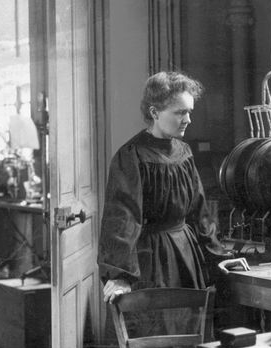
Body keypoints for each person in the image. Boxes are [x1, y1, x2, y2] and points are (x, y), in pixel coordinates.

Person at [98, 70, 243, 302]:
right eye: (180, 112)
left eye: (189, 112)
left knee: (190, 328)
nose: (188, 120)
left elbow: (200, 212)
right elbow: (122, 218)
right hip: (151, 260)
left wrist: (217, 255)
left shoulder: (183, 151)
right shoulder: (131, 155)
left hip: (186, 254)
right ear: (154, 112)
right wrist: (120, 275)